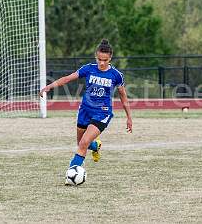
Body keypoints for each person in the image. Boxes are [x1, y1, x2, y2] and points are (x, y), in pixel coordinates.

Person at [39, 39, 132, 183]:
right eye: (99, 59)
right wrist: (50, 86)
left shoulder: (116, 75)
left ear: (110, 58)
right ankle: (96, 146)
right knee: (81, 143)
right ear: (96, 56)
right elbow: (68, 78)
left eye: (105, 60)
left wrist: (129, 117)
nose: (102, 63)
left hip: (102, 113)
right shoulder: (88, 68)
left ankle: (71, 175)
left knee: (82, 144)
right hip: (84, 111)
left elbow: (123, 96)